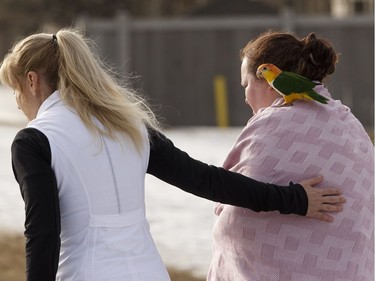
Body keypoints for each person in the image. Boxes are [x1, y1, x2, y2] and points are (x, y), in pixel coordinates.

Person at [0, 29, 344, 281]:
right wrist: (294, 199)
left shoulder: (34, 141)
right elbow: (206, 180)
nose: (17, 101)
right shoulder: (129, 126)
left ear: (32, 81)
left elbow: (43, 233)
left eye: (15, 90)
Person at [207, 31, 374, 281]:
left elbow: (232, 204)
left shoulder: (274, 122)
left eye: (246, 85)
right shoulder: (350, 123)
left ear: (267, 81)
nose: (245, 97)